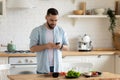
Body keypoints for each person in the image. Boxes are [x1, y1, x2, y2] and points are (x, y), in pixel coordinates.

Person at [29, 8, 69, 74]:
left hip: (57, 69)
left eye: (56, 20)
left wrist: (60, 46)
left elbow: (67, 47)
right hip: (43, 69)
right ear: (46, 17)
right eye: (51, 20)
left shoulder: (61, 30)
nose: (53, 23)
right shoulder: (37, 31)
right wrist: (46, 46)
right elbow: (32, 49)